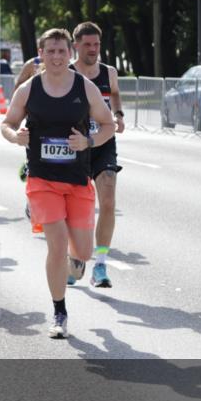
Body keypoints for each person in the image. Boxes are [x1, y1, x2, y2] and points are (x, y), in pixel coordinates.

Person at [0, 28, 114, 338]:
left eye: (61, 51)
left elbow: (109, 125)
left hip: (77, 180)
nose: (56, 57)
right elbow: (7, 123)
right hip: (42, 179)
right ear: (42, 53)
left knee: (83, 254)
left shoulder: (84, 87)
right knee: (57, 245)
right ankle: (59, 311)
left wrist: (88, 141)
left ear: (69, 53)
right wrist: (15, 136)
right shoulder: (29, 89)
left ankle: (76, 266)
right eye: (50, 51)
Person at [72, 22, 125, 288]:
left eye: (96, 45)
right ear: (76, 46)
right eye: (87, 45)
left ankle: (101, 264)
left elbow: (114, 95)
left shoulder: (109, 72)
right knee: (75, 209)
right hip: (73, 146)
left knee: (107, 197)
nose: (93, 50)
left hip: (103, 142)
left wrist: (118, 115)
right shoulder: (65, 72)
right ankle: (74, 256)